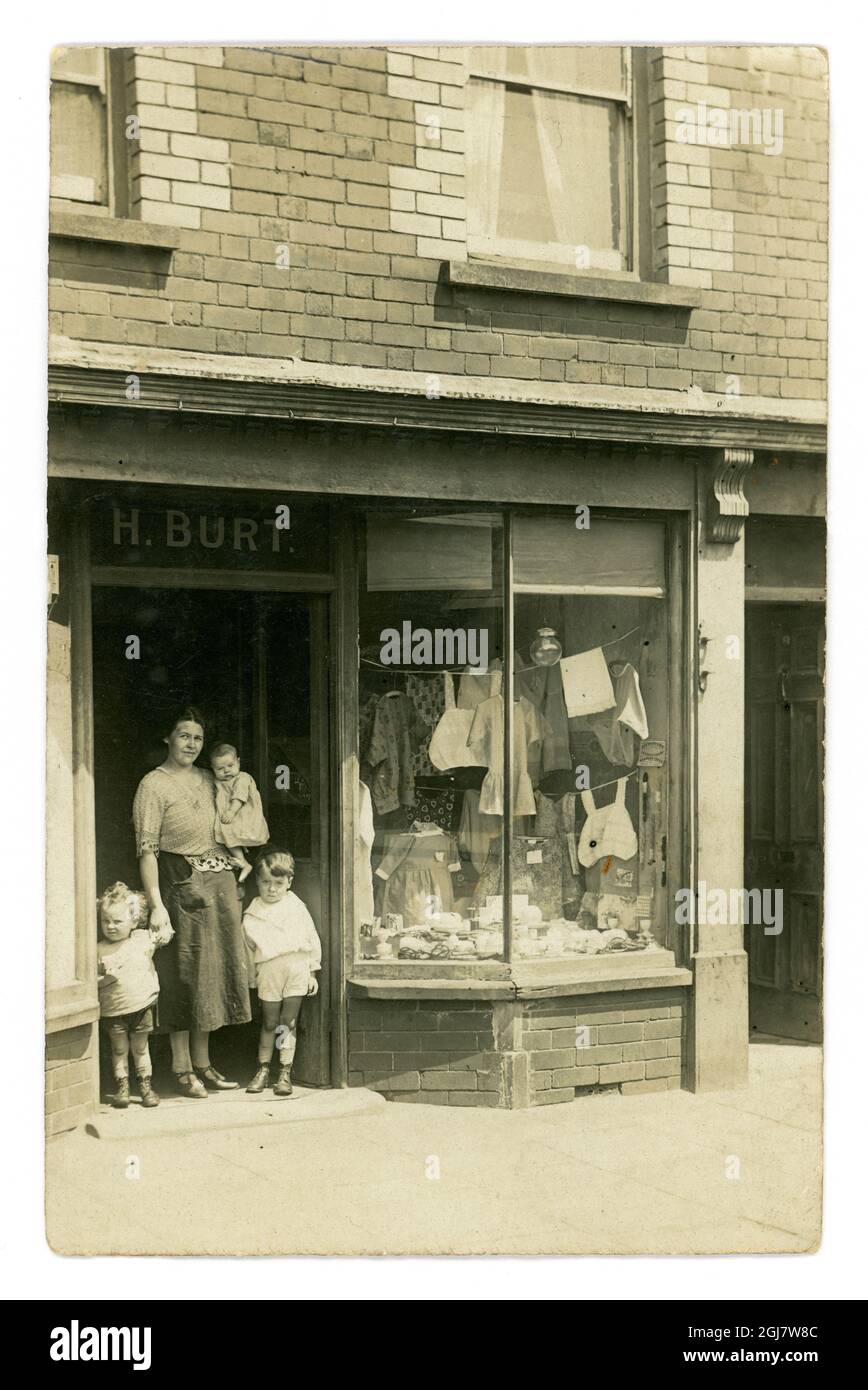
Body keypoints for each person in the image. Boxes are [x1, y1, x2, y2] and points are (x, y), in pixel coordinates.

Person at [132, 705, 251, 1099]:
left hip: (218, 882)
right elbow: (146, 851)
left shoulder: (209, 777)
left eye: (198, 738)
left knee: (213, 976)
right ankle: (181, 1068)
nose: (191, 744)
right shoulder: (153, 783)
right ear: (168, 737)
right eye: (184, 735)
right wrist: (157, 906)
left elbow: (234, 821)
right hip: (179, 883)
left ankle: (203, 1063)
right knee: (186, 975)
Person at [243, 850, 321, 1098]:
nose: (272, 889)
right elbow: (247, 948)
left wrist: (312, 971)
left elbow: (311, 938)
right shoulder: (253, 912)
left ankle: (283, 1070)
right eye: (266, 882)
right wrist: (251, 978)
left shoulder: (296, 907)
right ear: (257, 881)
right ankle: (263, 1068)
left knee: (287, 1023)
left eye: (278, 883)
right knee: (269, 1022)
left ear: (289, 882)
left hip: (296, 967)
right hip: (269, 969)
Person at [97, 881, 172, 1109]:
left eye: (117, 921)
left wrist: (163, 933)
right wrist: (104, 980)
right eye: (105, 921)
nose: (110, 926)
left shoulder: (141, 939)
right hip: (115, 1009)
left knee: (140, 1048)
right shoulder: (98, 949)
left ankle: (145, 1086)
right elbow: (90, 984)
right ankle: (123, 1087)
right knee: (119, 1049)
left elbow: (165, 934)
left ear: (133, 921)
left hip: (141, 1005)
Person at [208, 742, 269, 884]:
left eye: (230, 766)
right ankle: (243, 862)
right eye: (220, 768)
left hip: (242, 814)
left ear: (238, 762)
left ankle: (244, 862)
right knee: (227, 835)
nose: (226, 771)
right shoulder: (218, 781)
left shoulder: (242, 778)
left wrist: (231, 811)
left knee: (229, 833)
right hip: (231, 818)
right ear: (212, 768)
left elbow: (239, 797)